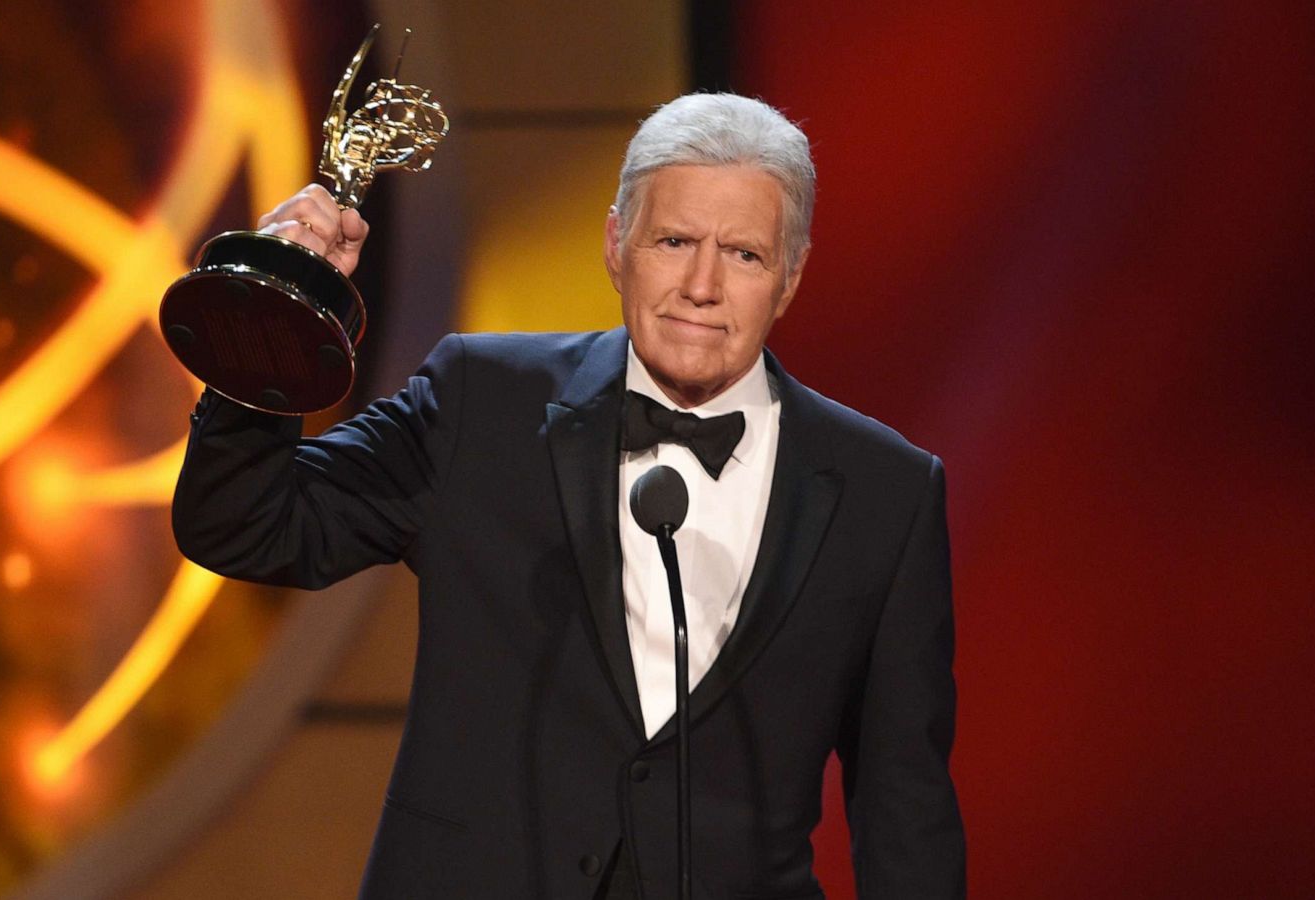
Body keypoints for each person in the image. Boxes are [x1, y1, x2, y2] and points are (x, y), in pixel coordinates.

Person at [172, 93, 965, 899]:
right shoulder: (480, 401)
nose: (701, 284)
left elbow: (906, 811)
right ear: (617, 244)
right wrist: (262, 326)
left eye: (744, 255)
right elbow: (246, 528)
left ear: (791, 277)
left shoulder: (885, 493)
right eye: (674, 240)